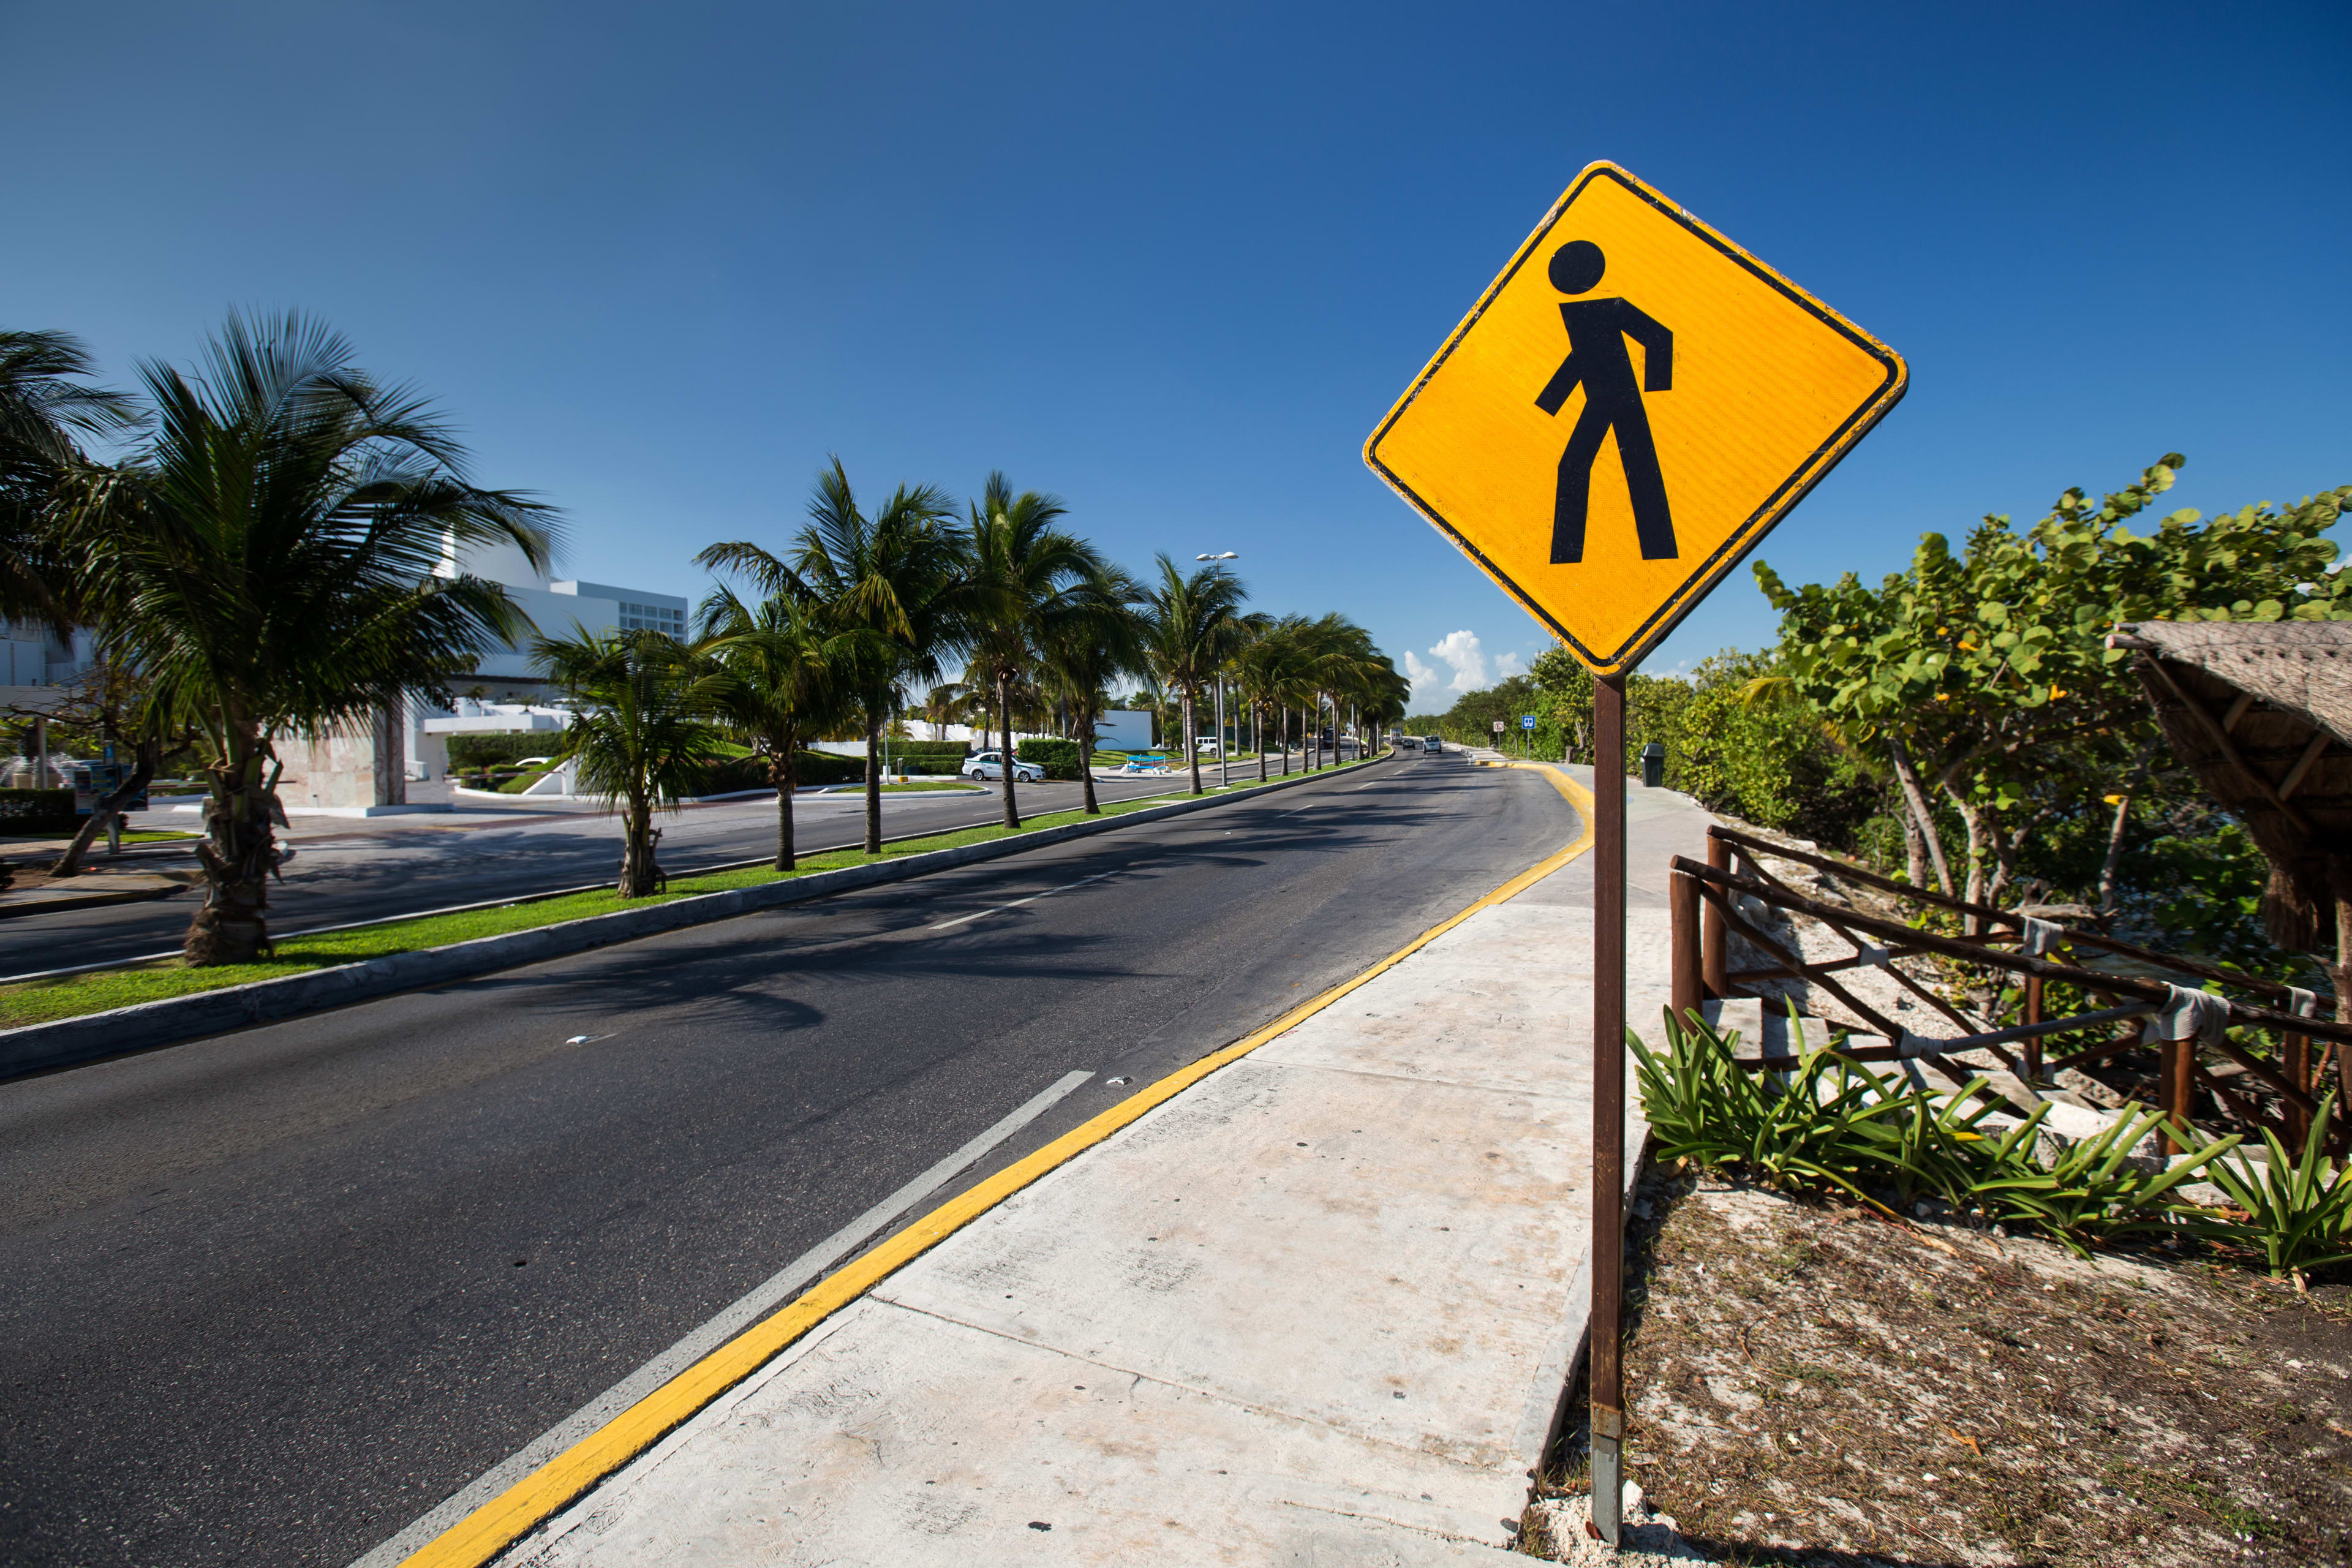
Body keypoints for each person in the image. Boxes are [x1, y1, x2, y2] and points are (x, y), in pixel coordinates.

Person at [1532, 239, 1677, 564]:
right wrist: (1550, 400)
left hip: (1619, 395)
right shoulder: (1578, 313)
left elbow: (1658, 336)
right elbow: (1582, 356)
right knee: (1590, 466)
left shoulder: (1611, 306)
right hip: (1601, 398)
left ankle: (1656, 551)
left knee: (1634, 467)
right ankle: (1570, 557)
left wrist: (1658, 392)